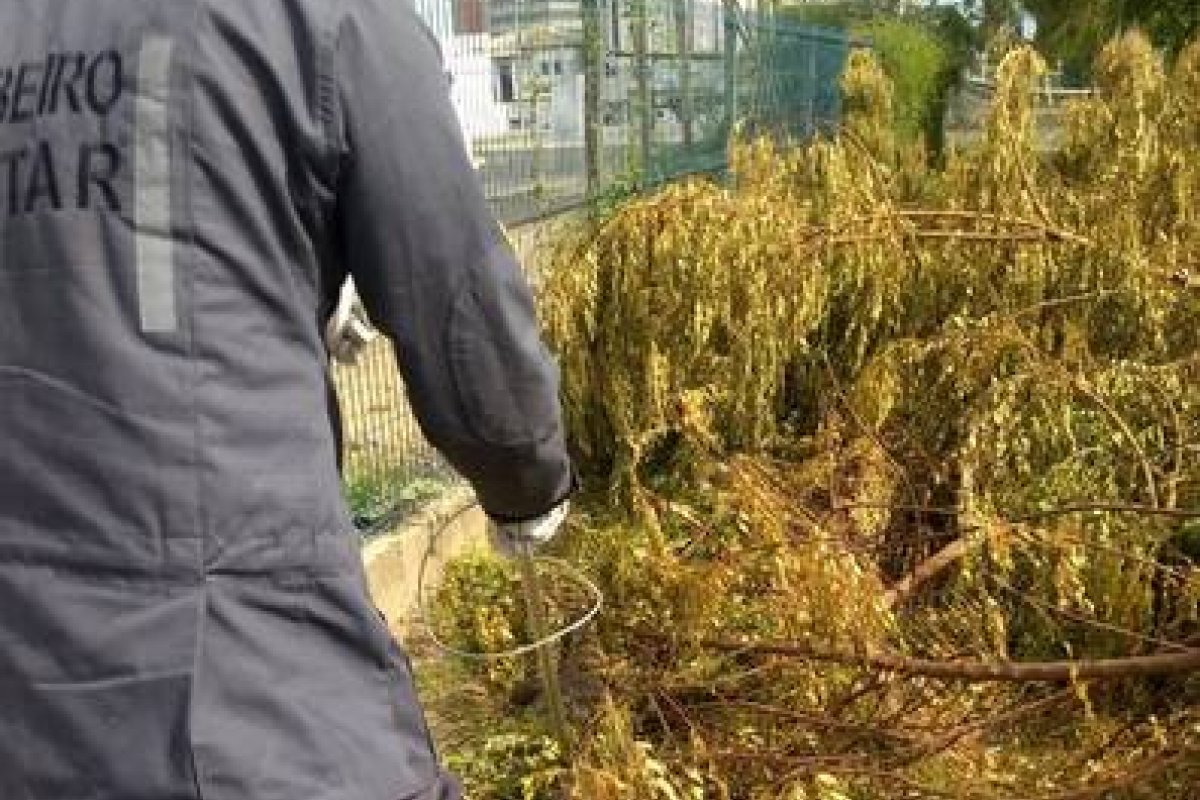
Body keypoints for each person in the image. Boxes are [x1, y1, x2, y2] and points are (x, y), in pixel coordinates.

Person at [0, 1, 573, 798]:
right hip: (247, 686)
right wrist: (527, 481)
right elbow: (458, 306)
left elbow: (113, 243)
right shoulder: (335, 18)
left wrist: (295, 281)